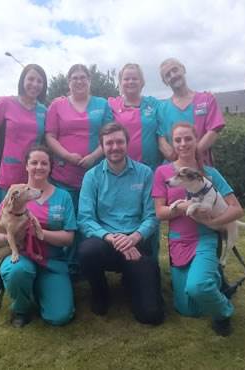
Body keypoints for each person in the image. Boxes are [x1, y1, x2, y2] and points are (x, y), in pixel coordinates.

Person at [152, 122, 244, 336]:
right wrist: (185, 208)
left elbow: (237, 210)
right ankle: (215, 279)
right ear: (173, 143)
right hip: (178, 241)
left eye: (188, 139)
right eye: (178, 140)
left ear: (196, 140)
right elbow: (159, 213)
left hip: (205, 238)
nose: (183, 144)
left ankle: (224, 312)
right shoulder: (163, 173)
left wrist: (215, 222)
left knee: (198, 288)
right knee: (189, 310)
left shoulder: (209, 173)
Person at [78, 123, 164, 325]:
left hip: (136, 242)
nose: (115, 147)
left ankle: (131, 279)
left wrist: (134, 238)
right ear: (102, 146)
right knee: (86, 251)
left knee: (151, 315)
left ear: (127, 143)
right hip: (105, 243)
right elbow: (85, 218)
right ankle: (100, 291)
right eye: (109, 143)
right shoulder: (92, 176)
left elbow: (152, 216)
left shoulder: (144, 173)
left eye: (119, 141)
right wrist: (112, 238)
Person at [0, 145, 77, 328]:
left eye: (44, 163)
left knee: (60, 317)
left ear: (50, 167)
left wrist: (39, 234)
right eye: (34, 162)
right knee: (17, 270)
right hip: (22, 257)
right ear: (26, 166)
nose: (39, 167)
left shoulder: (63, 197)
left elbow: (68, 238)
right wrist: (12, 237)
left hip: (52, 262)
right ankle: (21, 309)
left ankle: (37, 289)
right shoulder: (14, 196)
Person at [45, 64, 112, 273]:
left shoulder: (102, 104)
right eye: (74, 78)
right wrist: (66, 156)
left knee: (93, 219)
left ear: (89, 80)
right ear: (68, 82)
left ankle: (92, 264)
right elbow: (50, 136)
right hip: (64, 175)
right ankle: (70, 266)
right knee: (68, 220)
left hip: (95, 174)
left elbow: (109, 135)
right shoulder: (57, 106)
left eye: (83, 77)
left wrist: (93, 156)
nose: (79, 81)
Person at [108, 63, 163, 258]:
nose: (130, 81)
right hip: (122, 173)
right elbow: (88, 105)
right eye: (126, 78)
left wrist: (202, 96)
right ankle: (122, 260)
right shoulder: (111, 104)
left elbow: (175, 105)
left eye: (135, 78)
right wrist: (64, 98)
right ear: (120, 83)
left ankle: (150, 262)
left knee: (151, 216)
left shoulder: (154, 104)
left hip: (150, 172)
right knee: (125, 217)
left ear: (142, 82)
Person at [0, 64, 47, 210]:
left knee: (27, 221)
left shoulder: (44, 110)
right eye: (31, 79)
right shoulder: (5, 103)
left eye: (39, 81)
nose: (35, 84)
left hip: (32, 175)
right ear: (22, 81)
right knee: (4, 221)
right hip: (5, 174)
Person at [158, 58, 224, 166]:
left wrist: (190, 157)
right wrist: (177, 160)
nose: (173, 75)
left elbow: (213, 130)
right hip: (174, 169)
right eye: (168, 75)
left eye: (175, 70)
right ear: (165, 82)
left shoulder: (207, 99)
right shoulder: (161, 108)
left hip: (202, 167)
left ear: (183, 69)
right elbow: (160, 139)